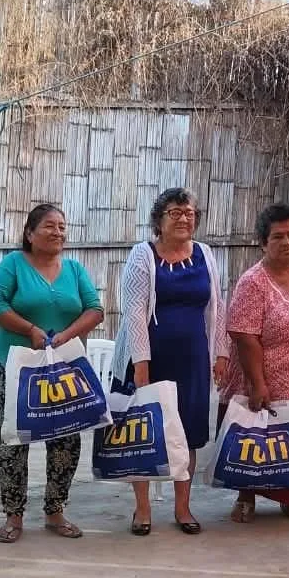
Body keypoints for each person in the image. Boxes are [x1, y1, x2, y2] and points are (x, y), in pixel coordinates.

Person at [0, 203, 105, 543]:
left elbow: (95, 310)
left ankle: (55, 510)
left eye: (63, 226)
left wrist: (66, 334)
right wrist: (30, 329)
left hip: (64, 367)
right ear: (30, 233)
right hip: (19, 367)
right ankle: (13, 516)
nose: (58, 232)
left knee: (66, 437)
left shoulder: (75, 270)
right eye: (50, 225)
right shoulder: (14, 265)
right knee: (15, 440)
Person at [114, 188, 222, 535]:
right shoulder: (142, 255)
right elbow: (133, 311)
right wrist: (140, 363)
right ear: (158, 220)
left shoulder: (205, 254)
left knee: (187, 436)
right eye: (175, 212)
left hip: (192, 361)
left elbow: (216, 308)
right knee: (145, 432)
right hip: (150, 359)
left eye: (189, 212)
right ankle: (143, 509)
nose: (184, 218)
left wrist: (220, 353)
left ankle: (183, 507)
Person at [217, 203, 289, 525]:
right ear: (263, 242)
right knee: (257, 441)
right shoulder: (252, 282)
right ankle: (246, 495)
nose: (287, 242)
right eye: (278, 236)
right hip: (269, 376)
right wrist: (258, 383)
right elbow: (245, 336)